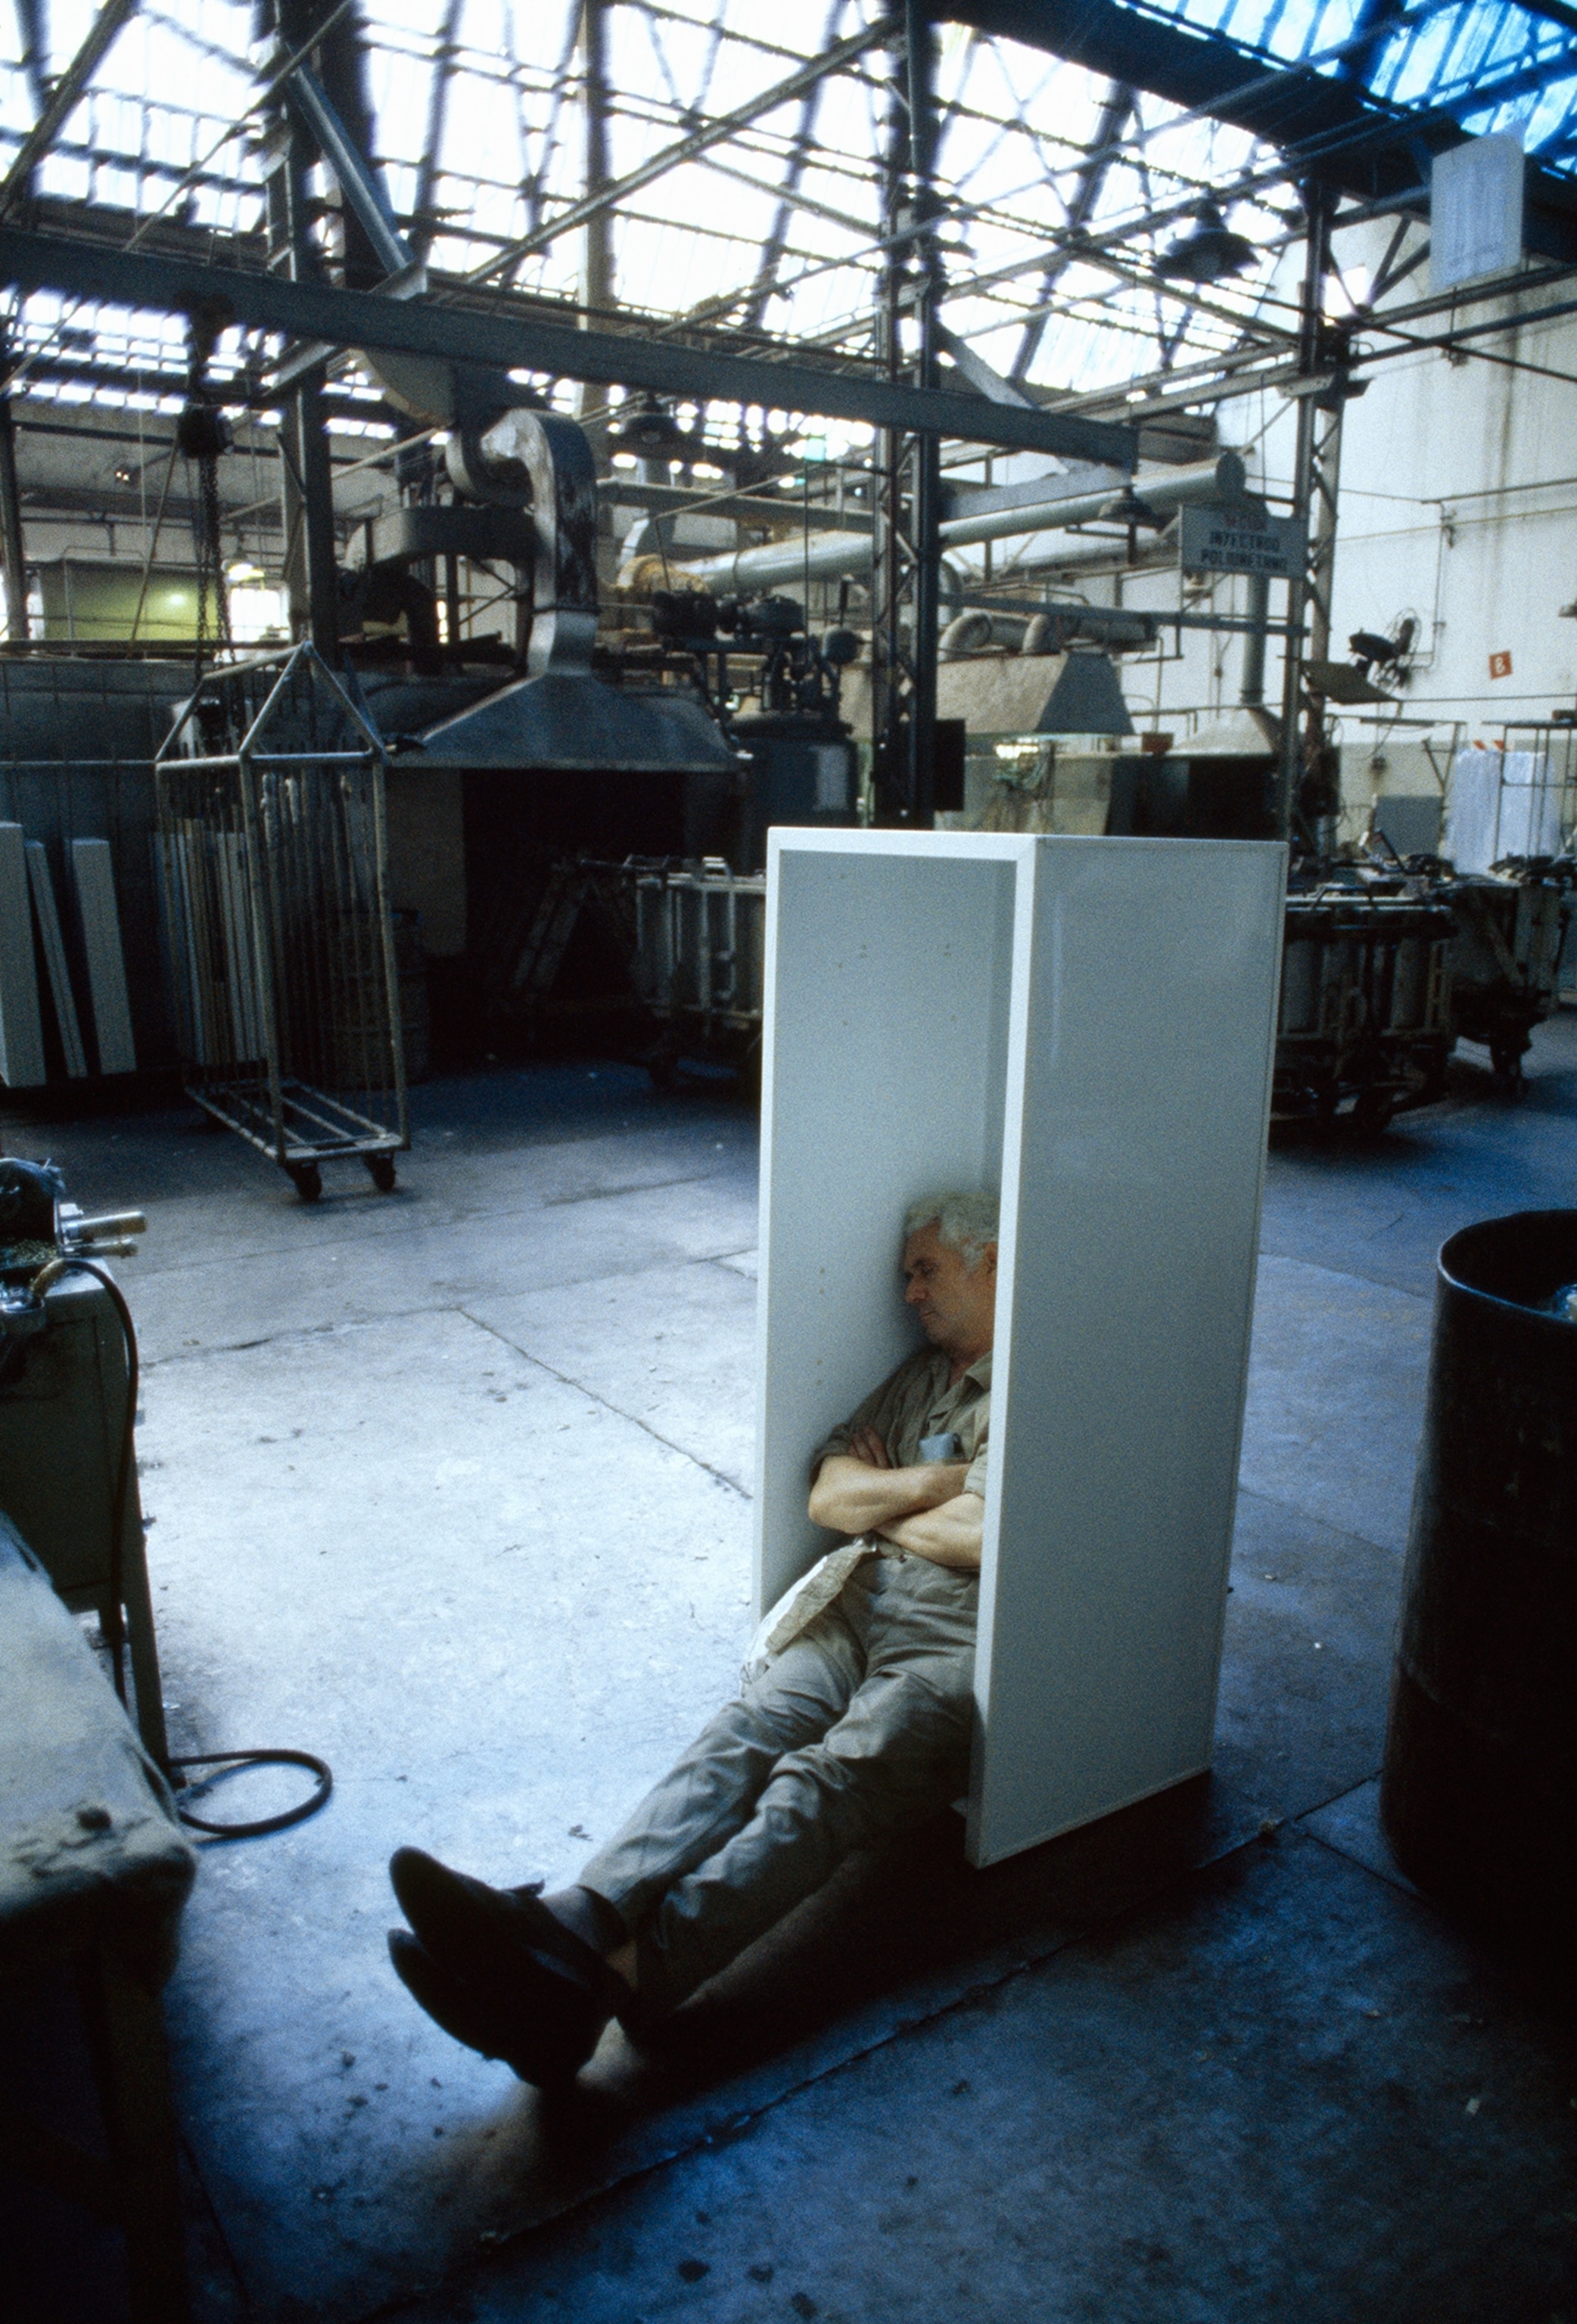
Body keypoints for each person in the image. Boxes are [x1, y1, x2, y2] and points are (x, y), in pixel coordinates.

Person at [387, 1189, 998, 2086]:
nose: (906, 1291)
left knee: (826, 1782)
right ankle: (575, 1920)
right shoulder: (921, 1375)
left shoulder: (1032, 1377)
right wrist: (938, 1484)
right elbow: (828, 1494)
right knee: (747, 1728)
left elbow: (981, 1536)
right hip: (856, 1604)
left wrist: (892, 1492)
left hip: (946, 1640)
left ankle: (597, 1985)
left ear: (989, 1262)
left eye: (924, 1269)